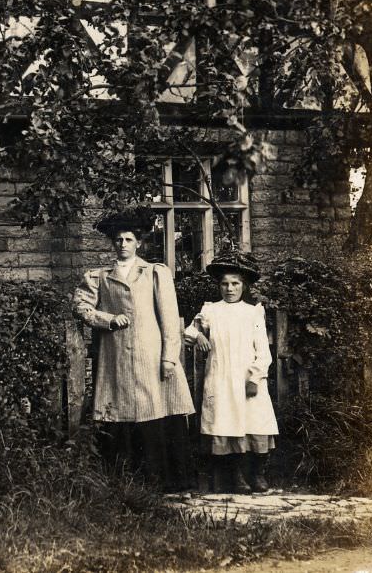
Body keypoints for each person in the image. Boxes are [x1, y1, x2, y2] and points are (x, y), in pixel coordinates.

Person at [72, 209, 194, 490]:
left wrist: (169, 358)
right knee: (119, 412)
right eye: (118, 240)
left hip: (150, 357)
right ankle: (123, 481)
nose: (123, 244)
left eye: (128, 239)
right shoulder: (98, 276)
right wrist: (108, 319)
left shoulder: (154, 273)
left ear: (139, 242)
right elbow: (80, 308)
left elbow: (169, 318)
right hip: (116, 358)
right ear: (113, 244)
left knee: (154, 410)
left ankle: (163, 482)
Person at [184, 249, 278, 493]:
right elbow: (188, 331)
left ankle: (257, 474)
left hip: (247, 376)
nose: (229, 288)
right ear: (219, 286)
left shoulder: (253, 311)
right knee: (226, 424)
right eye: (224, 284)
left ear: (243, 285)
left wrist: (255, 377)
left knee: (256, 423)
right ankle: (235, 477)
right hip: (221, 376)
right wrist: (200, 337)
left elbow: (263, 351)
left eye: (235, 283)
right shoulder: (210, 310)